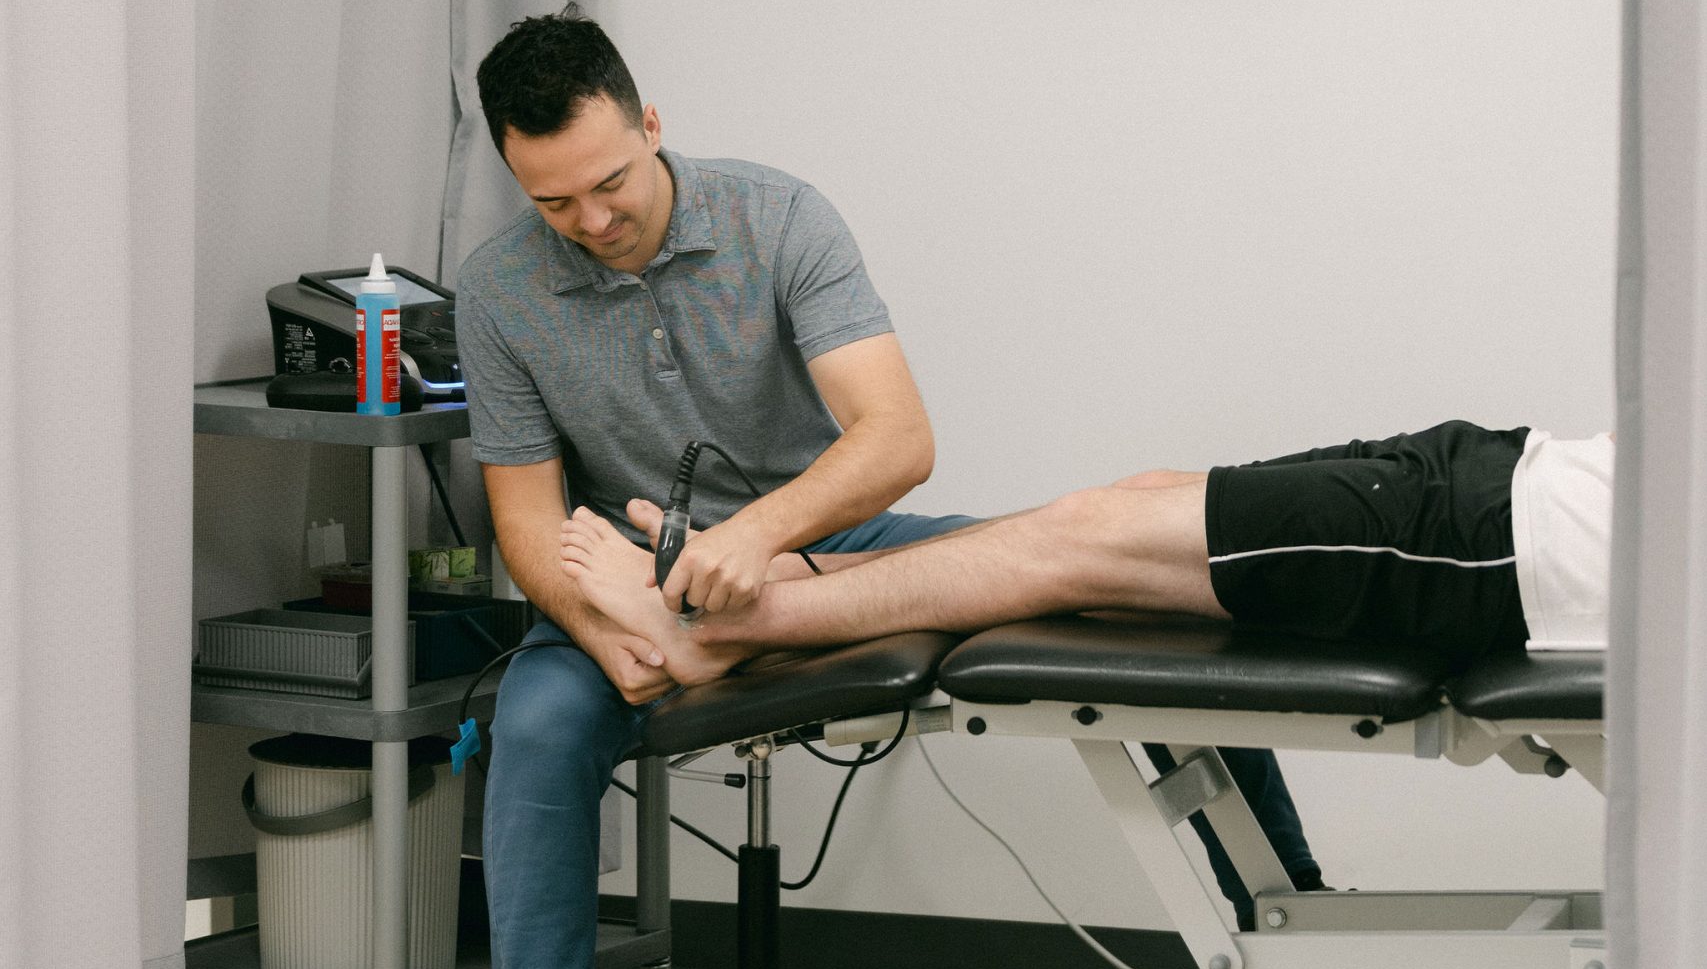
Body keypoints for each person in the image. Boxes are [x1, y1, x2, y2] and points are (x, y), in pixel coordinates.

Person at [427, 7, 1325, 969]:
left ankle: (1295, 957)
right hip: (632, 578)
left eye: (610, 183)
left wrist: (752, 547)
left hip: (828, 544)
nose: (591, 221)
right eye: (553, 203)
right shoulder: (498, 291)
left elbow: (896, 439)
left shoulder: (776, 216)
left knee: (1130, 591)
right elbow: (528, 525)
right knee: (532, 733)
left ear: (650, 123)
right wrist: (616, 622)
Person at [558, 419, 1615, 688]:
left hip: (1508, 547)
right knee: (1133, 500)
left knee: (1081, 544)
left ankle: (718, 629)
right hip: (1514, 472)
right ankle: (781, 585)